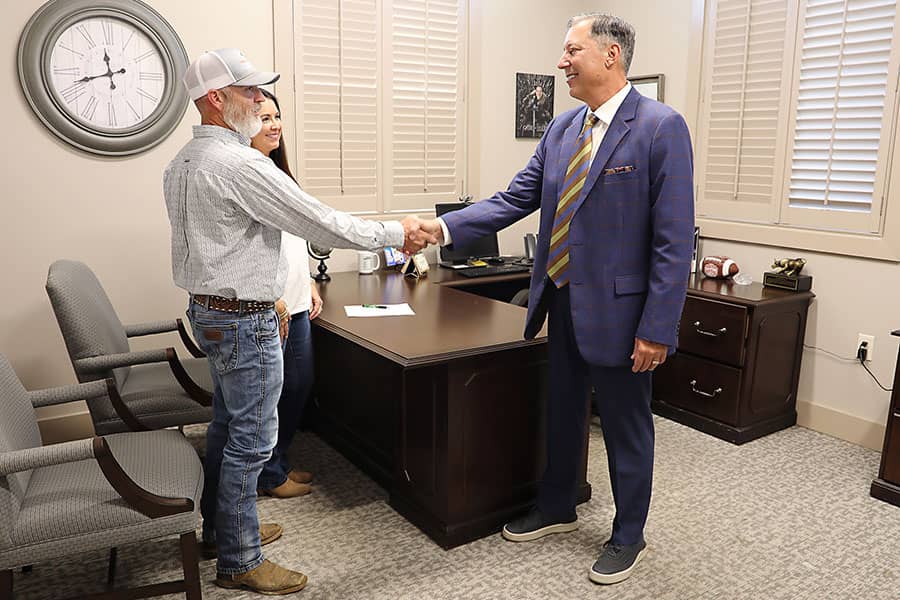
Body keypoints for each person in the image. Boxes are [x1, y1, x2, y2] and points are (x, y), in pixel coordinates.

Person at [418, 13, 694, 585]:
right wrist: (441, 229)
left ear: (611, 55)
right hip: (561, 299)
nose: (562, 61)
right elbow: (513, 198)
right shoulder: (563, 128)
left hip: (625, 313)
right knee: (562, 413)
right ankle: (558, 505)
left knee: (625, 427)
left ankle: (629, 535)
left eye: (572, 50)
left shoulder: (660, 127)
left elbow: (673, 241)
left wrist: (658, 328)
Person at [164, 48, 432, 595]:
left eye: (262, 93)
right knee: (249, 441)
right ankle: (240, 560)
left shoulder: (184, 162)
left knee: (225, 429)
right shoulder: (240, 164)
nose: (262, 102)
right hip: (243, 321)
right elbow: (318, 220)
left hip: (210, 312)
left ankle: (221, 532)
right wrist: (395, 233)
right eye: (251, 93)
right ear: (217, 99)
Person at [252, 89, 320, 499]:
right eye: (264, 118)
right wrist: (271, 296)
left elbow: (295, 239)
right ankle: (270, 474)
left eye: (276, 116)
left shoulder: (279, 174)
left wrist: (308, 281)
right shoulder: (248, 174)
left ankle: (277, 463)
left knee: (298, 386)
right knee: (278, 393)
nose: (275, 125)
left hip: (296, 302)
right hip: (273, 307)